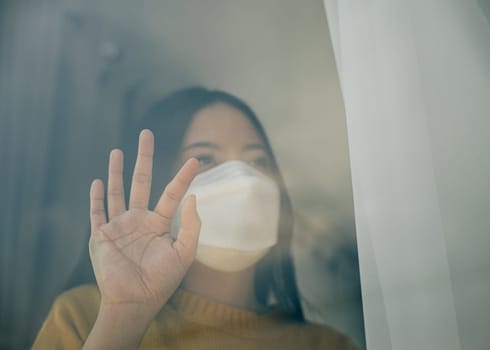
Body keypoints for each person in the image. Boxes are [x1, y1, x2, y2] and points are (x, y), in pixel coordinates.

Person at [32, 87, 358, 349]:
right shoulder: (86, 317)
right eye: (205, 158)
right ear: (161, 184)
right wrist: (124, 318)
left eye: (258, 160)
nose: (242, 179)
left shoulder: (326, 344)